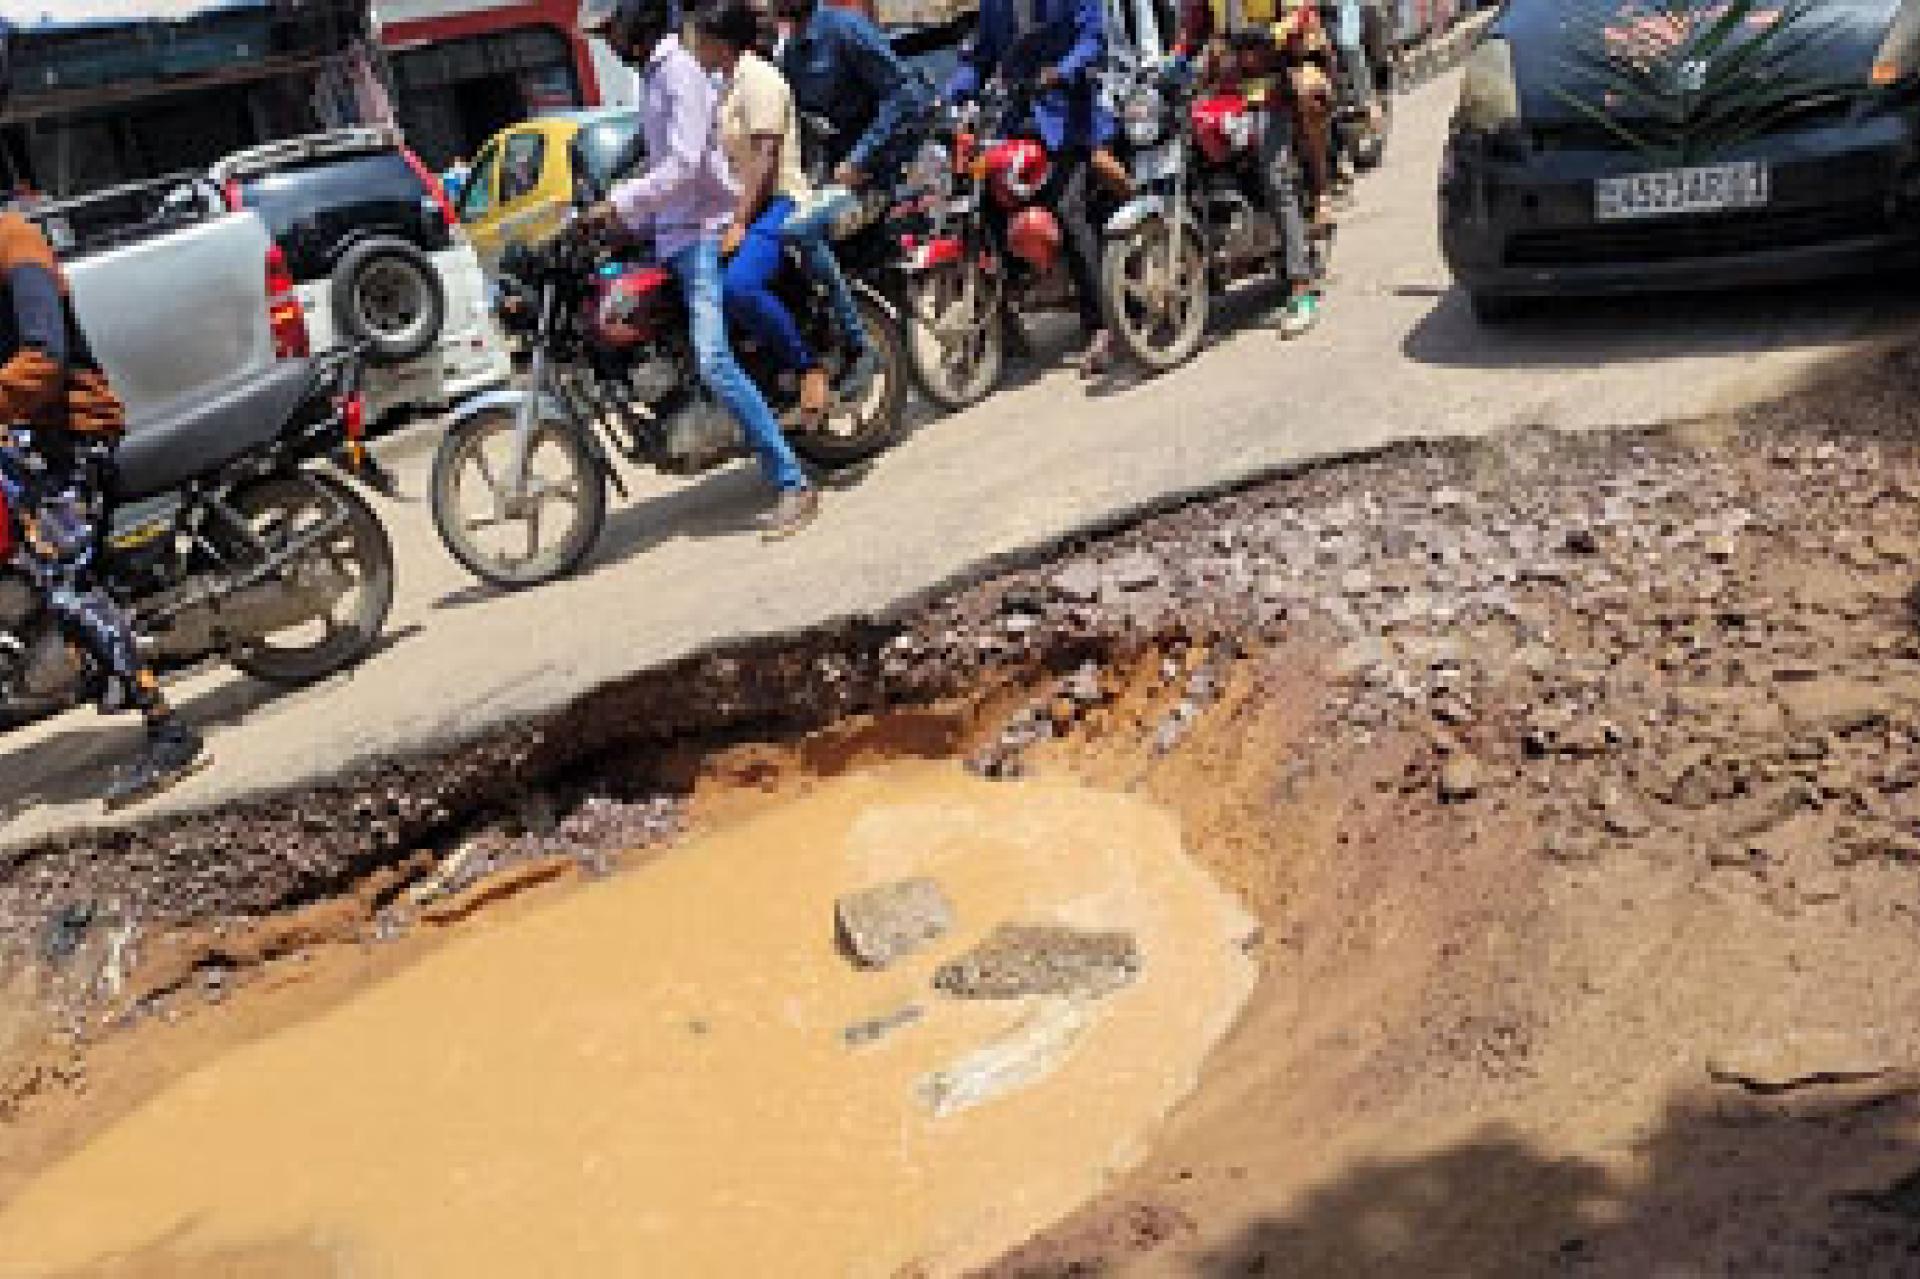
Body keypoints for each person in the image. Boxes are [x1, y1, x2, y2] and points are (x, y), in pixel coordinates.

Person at [0, 29, 204, 806]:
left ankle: (168, 731)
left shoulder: (14, 239)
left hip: (73, 431)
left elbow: (42, 359)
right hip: (36, 432)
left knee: (60, 576)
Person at [578, 0, 821, 540]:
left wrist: (621, 202)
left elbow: (686, 166)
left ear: (635, 26)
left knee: (713, 361)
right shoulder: (656, 75)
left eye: (610, 32)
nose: (607, 44)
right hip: (675, 234)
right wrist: (613, 215)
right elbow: (657, 163)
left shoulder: (679, 73)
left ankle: (793, 484)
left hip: (704, 235)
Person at [947, 0, 1118, 375]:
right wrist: (955, 94)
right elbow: (980, 57)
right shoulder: (995, 5)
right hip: (1015, 120)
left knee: (1068, 209)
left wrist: (1063, 70)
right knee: (986, 211)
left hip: (1069, 117)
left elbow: (1092, 39)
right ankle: (1002, 328)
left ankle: (1100, 327)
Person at [772, 0, 926, 398]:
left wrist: (862, 157)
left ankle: (862, 348)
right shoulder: (791, 52)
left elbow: (903, 93)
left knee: (804, 231)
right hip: (834, 181)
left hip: (878, 175)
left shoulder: (847, 31)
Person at [691, 0, 832, 431]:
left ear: (721, 41)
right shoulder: (726, 85)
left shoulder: (759, 80)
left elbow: (765, 160)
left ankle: (808, 367)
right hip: (750, 203)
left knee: (738, 285)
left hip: (780, 199)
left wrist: (738, 222)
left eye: (700, 38)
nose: (694, 46)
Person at [1175, 0, 1331, 337]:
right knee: (1188, 158)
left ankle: (1302, 289)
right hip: (1222, 90)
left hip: (1271, 85)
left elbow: (1299, 13)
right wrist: (1173, 59)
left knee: (1276, 178)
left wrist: (1272, 33)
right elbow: (1194, 29)